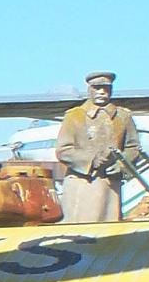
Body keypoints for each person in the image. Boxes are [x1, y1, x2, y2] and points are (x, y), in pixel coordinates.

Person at [54, 72, 143, 223]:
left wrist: (122, 164)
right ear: (89, 90)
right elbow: (64, 150)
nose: (102, 92)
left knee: (108, 227)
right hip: (82, 182)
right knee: (79, 229)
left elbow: (133, 147)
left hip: (110, 185)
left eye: (106, 88)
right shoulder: (74, 116)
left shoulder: (123, 116)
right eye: (97, 88)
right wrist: (91, 161)